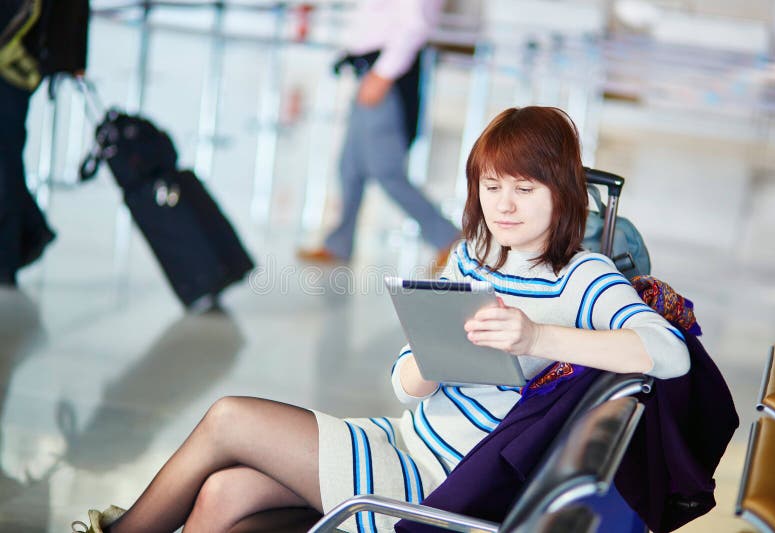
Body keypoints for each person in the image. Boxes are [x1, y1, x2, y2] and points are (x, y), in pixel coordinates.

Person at [71, 106, 690, 533]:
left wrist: (536, 336)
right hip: (403, 440)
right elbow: (402, 383)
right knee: (223, 493)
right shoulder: (475, 257)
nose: (503, 205)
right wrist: (430, 356)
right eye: (492, 186)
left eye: (524, 190)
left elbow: (670, 353)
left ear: (562, 193)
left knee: (230, 418)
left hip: (440, 482)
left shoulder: (583, 276)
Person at [297, 0, 460, 266]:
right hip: (369, 72)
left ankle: (448, 239)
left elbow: (415, 26)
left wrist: (383, 75)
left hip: (387, 78)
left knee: (386, 171)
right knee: (350, 167)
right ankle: (339, 244)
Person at [0, 0, 90, 286]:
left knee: (6, 160)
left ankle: (9, 255)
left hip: (15, 61)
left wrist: (74, 58)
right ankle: (29, 231)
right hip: (19, 53)